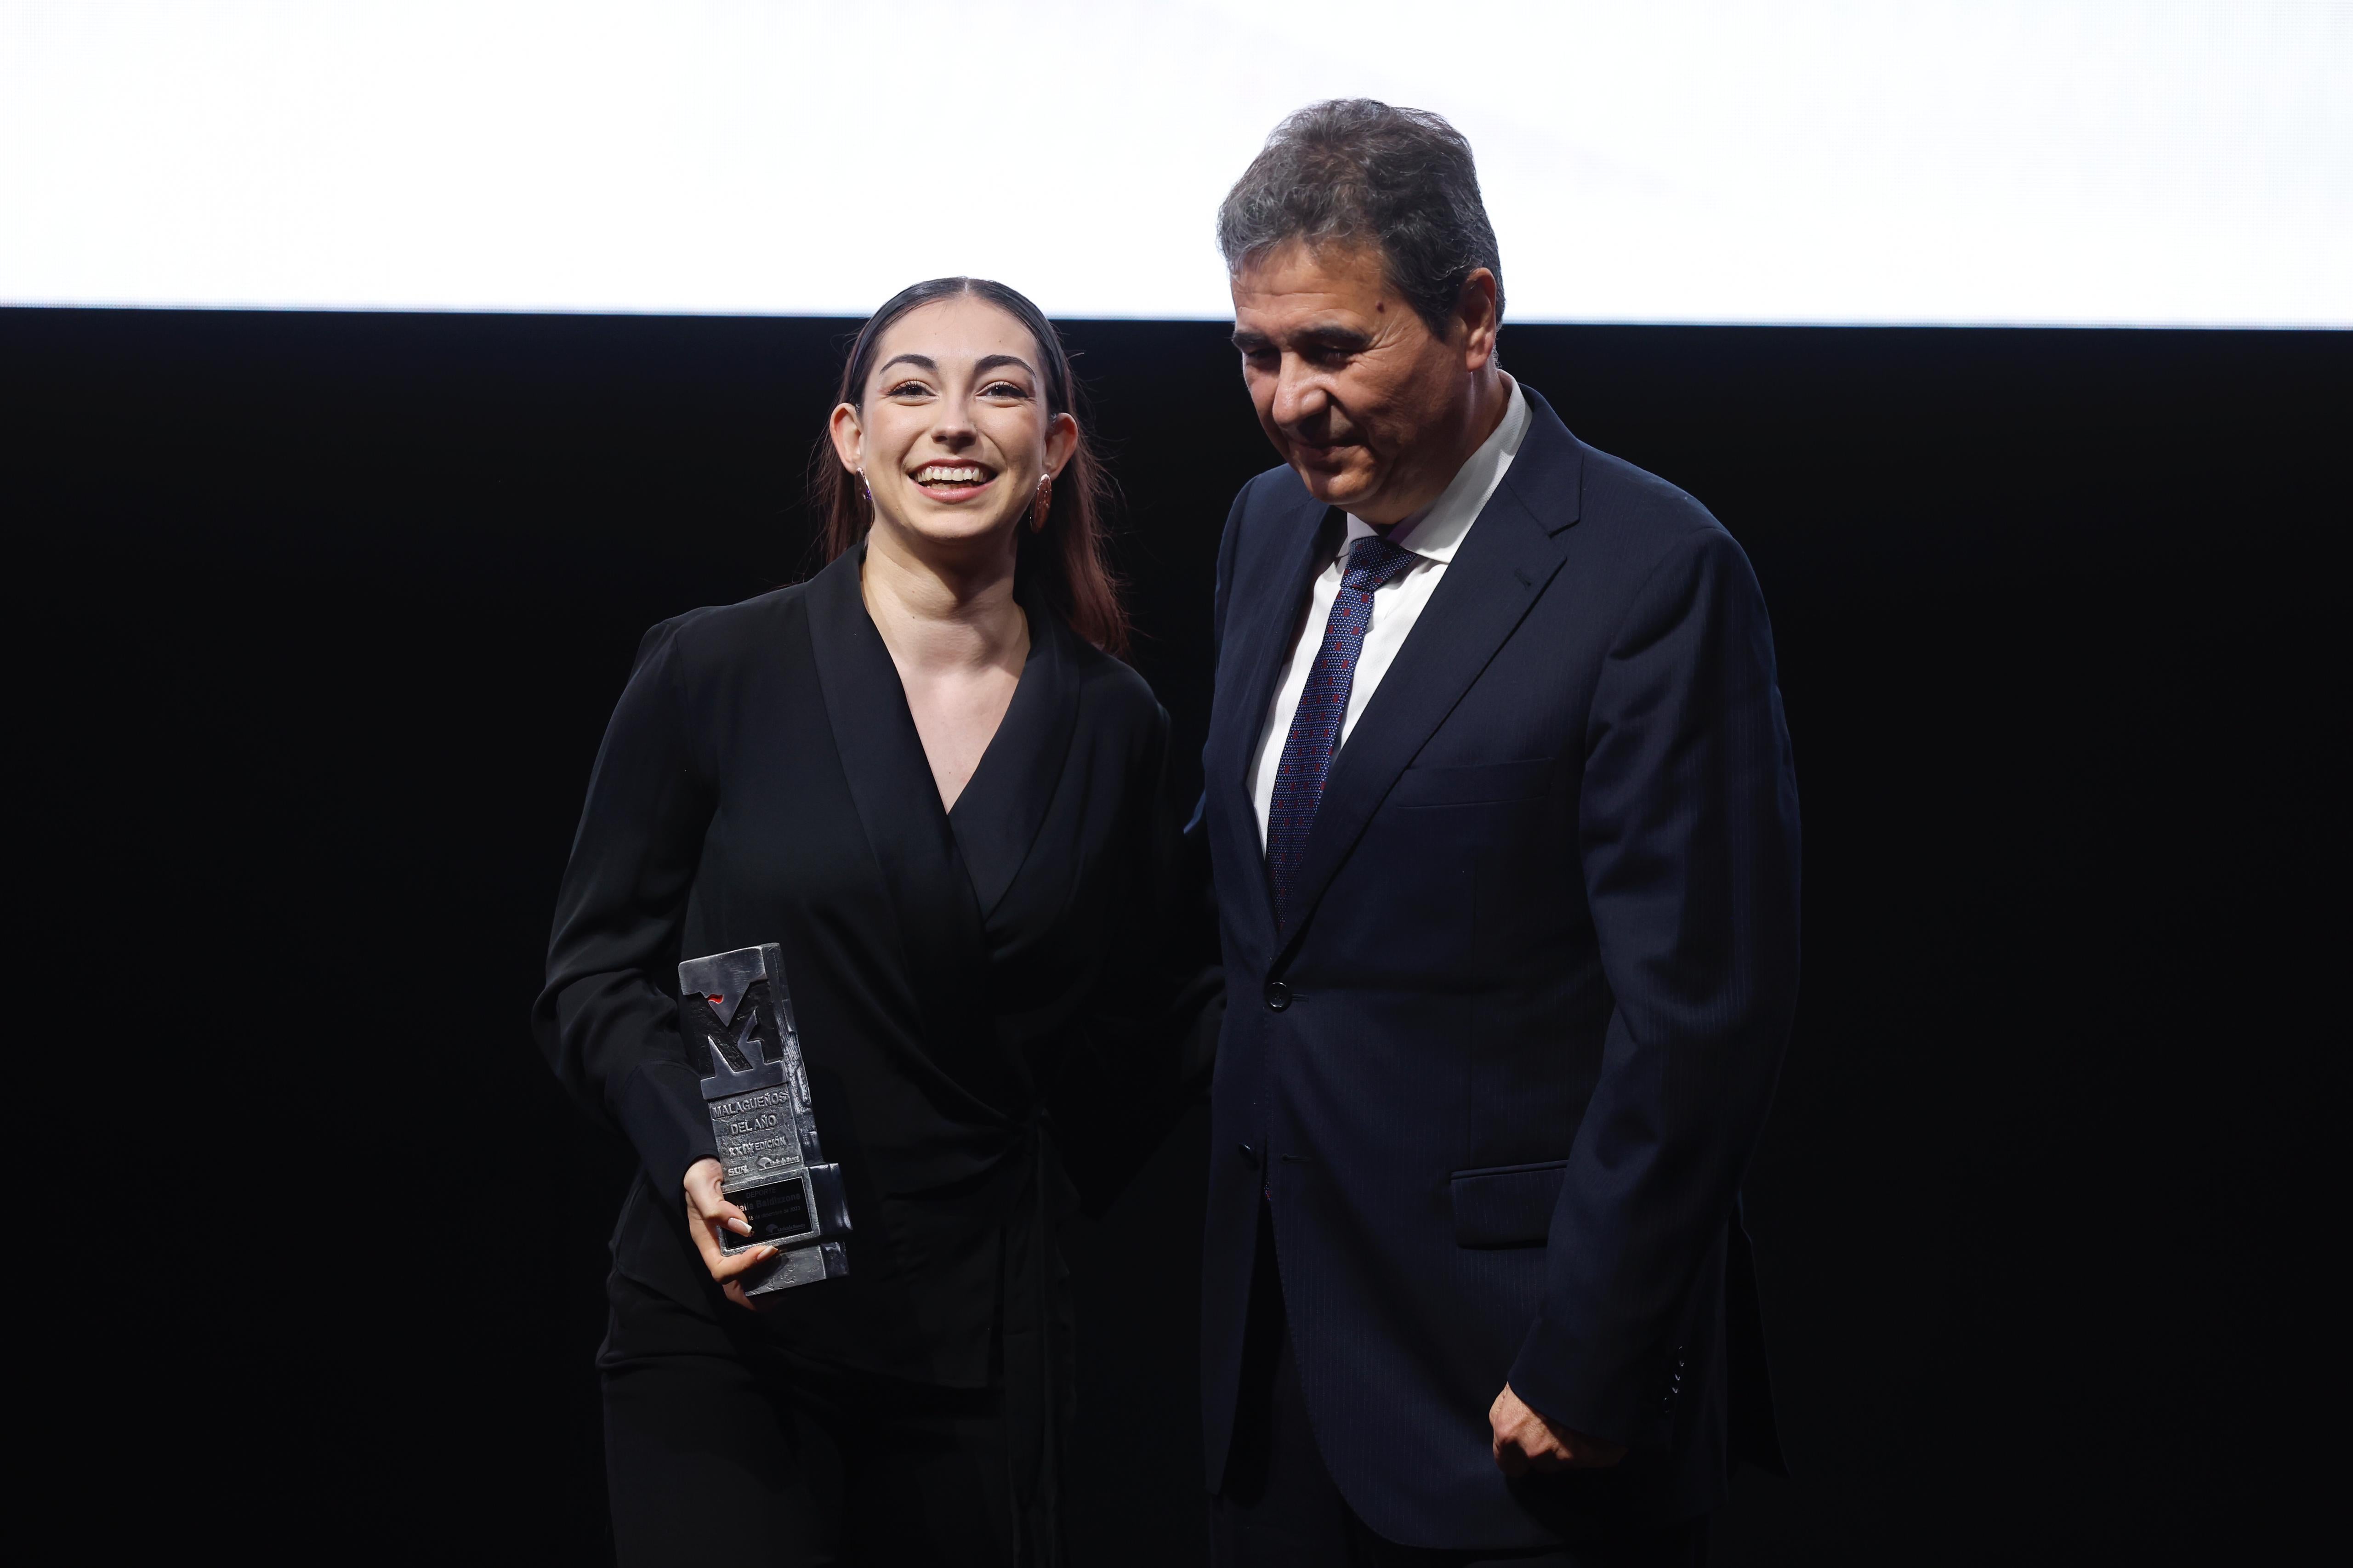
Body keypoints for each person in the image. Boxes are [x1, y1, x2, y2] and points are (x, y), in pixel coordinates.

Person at [1192, 102, 1803, 1566]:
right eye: (1258, 354)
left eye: (1334, 347)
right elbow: (1262, 926)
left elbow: (1698, 1017)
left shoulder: (1655, 574)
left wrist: (1597, 1353)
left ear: (1474, 315)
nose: (1290, 401)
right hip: (1282, 1378)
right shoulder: (1264, 532)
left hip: (1522, 1392)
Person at [534, 276, 1195, 1566]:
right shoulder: (716, 666)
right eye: (911, 388)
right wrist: (693, 1151)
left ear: (1055, 446)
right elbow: (593, 975)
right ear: (851, 437)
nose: (954, 423)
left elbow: (1137, 1025)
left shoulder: (1115, 722)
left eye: (999, 389)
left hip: (976, 1341)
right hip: (734, 1307)